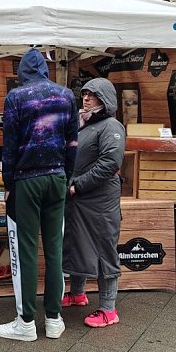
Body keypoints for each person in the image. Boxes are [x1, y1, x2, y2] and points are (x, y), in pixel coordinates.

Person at [0, 49, 78, 342]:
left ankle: (25, 322)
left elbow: (11, 146)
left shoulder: (16, 97)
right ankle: (54, 320)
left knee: (25, 250)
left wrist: (7, 184)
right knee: (54, 250)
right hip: (57, 177)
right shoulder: (67, 96)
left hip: (27, 180)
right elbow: (73, 142)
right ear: (46, 70)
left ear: (21, 72)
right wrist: (67, 175)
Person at [62, 77, 125, 328]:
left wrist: (78, 185)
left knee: (103, 253)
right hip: (79, 202)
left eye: (93, 95)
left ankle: (109, 310)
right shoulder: (82, 124)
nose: (86, 98)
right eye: (85, 93)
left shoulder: (111, 126)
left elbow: (110, 163)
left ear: (106, 99)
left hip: (99, 203)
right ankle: (78, 295)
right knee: (78, 247)